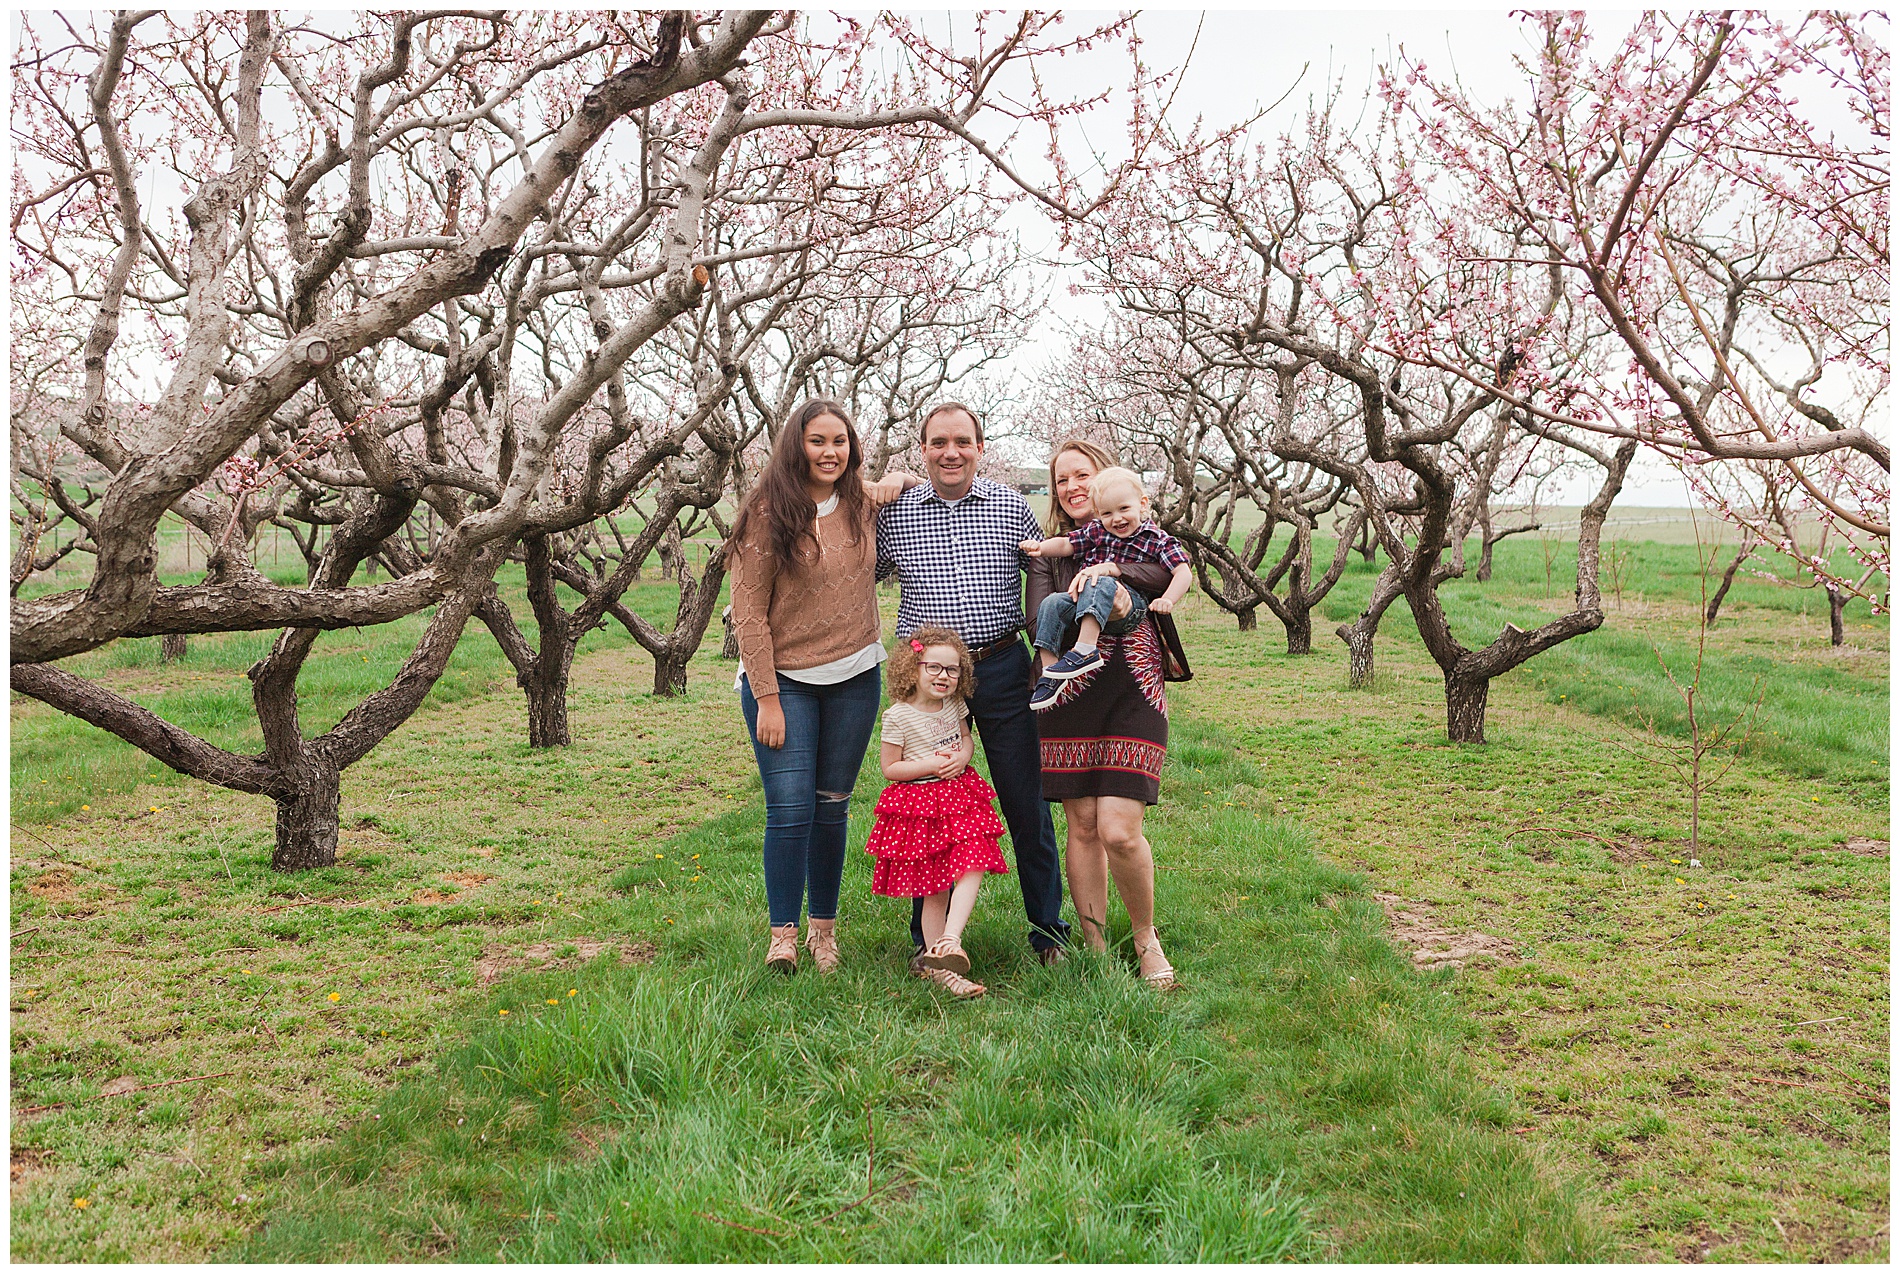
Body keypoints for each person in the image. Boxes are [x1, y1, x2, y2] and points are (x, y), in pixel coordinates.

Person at [876, 402, 1074, 965]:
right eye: (938, 442)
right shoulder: (898, 513)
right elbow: (856, 566)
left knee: (1025, 802)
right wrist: (883, 487)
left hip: (1000, 668)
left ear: (981, 448)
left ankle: (1048, 932)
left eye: (962, 441)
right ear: (923, 450)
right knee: (929, 806)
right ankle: (928, 939)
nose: (951, 452)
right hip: (929, 681)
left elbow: (1050, 572)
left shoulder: (1013, 507)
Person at [728, 399, 913, 974]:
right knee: (789, 810)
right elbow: (748, 613)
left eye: (840, 441)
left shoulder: (860, 501)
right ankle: (782, 934)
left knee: (832, 808)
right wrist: (767, 699)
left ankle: (823, 932)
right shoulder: (767, 513)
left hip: (855, 676)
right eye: (817, 441)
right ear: (796, 446)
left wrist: (902, 479)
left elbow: (884, 488)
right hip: (785, 684)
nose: (830, 452)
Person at [1026, 439, 1193, 988]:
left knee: (1120, 830)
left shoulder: (1139, 541)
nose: (1072, 487)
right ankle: (1095, 943)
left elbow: (1160, 577)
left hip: (1131, 690)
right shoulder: (1069, 547)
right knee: (1083, 825)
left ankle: (1145, 937)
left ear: (1107, 479)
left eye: (1083, 475)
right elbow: (1040, 612)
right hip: (1069, 695)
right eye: (1062, 480)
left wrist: (1114, 575)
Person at [865, 628, 1008, 1000]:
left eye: (953, 670)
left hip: (958, 797)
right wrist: (928, 763)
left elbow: (965, 737)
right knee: (934, 890)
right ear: (913, 668)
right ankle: (941, 967)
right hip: (920, 805)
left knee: (974, 859)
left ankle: (949, 940)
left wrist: (963, 756)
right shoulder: (898, 716)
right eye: (934, 668)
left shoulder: (954, 706)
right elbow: (889, 769)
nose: (944, 676)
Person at [1020, 465, 1192, 709]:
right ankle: (1050, 672)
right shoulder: (1098, 531)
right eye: (1107, 513)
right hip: (1085, 597)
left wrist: (1169, 599)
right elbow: (1067, 544)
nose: (1117, 519)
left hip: (1128, 605)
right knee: (1052, 602)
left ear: (1142, 504)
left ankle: (1085, 648)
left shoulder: (1157, 539)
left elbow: (1183, 572)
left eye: (1124, 509)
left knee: (1100, 581)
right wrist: (1042, 548)